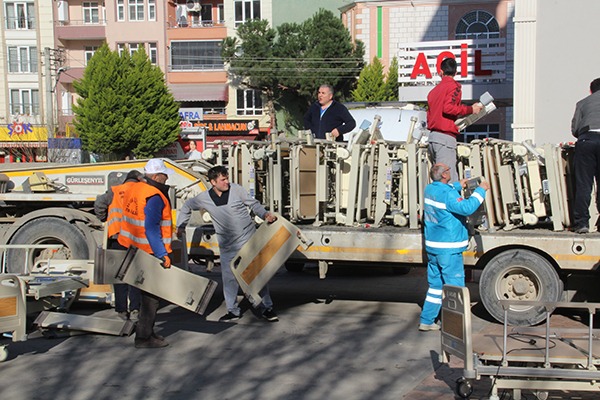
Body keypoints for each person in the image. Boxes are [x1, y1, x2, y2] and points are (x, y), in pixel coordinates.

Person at [176, 165, 279, 322]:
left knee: (255, 275)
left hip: (247, 239)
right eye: (223, 179)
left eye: (227, 178)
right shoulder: (204, 198)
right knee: (229, 278)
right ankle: (232, 310)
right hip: (227, 244)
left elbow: (253, 204)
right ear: (213, 182)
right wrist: (181, 226)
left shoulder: (237, 190)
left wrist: (265, 214)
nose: (227, 182)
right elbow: (187, 206)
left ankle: (267, 308)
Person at [419, 163, 489, 331]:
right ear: (443, 175)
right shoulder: (449, 194)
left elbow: (445, 190)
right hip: (448, 248)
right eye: (448, 170)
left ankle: (427, 321)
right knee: (455, 287)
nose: (450, 172)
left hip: (433, 248)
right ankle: (455, 326)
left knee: (436, 286)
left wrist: (460, 184)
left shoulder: (430, 189)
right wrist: (481, 190)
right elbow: (467, 208)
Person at [118, 159, 175, 348]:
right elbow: (151, 228)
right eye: (164, 175)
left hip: (132, 247)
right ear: (156, 176)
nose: (166, 178)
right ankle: (143, 338)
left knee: (143, 294)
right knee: (151, 297)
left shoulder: (134, 189)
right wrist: (162, 254)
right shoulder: (154, 195)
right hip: (148, 251)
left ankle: (147, 332)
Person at [94, 170, 144, 321]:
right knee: (135, 275)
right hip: (136, 238)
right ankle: (135, 309)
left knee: (119, 275)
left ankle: (122, 310)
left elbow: (99, 204)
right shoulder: (142, 191)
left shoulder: (115, 190)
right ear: (138, 180)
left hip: (117, 237)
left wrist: (104, 218)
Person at [427, 58, 483, 182]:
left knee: (438, 180)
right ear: (456, 73)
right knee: (448, 180)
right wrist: (470, 110)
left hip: (433, 138)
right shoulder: (454, 86)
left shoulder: (433, 92)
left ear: (440, 72)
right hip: (445, 139)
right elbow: (448, 108)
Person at [571, 78, 600, 234]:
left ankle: (582, 224)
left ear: (590, 91)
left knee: (584, 184)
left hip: (587, 140)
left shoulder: (582, 103)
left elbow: (575, 129)